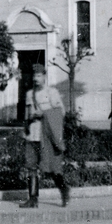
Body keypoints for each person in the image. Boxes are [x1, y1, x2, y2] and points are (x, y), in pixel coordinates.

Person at [20, 65, 69, 208]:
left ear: (44, 77)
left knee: (52, 167)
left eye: (39, 76)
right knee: (31, 166)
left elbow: (61, 112)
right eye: (34, 76)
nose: (36, 79)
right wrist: (25, 129)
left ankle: (64, 190)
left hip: (45, 136)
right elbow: (27, 113)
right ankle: (33, 199)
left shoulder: (52, 92)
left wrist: (44, 114)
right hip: (32, 135)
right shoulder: (30, 94)